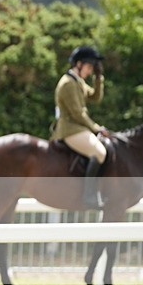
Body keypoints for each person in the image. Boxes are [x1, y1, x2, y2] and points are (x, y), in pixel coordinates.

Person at [51, 45, 108, 209]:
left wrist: (98, 77)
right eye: (89, 67)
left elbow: (95, 97)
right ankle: (89, 196)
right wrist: (96, 128)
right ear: (78, 64)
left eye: (92, 68)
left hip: (78, 128)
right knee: (99, 152)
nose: (90, 71)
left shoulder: (77, 81)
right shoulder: (68, 83)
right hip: (70, 129)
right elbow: (78, 114)